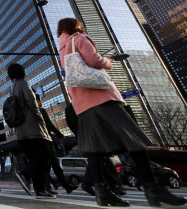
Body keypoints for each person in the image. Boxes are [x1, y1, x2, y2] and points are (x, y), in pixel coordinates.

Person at [58, 18, 186, 207]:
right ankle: (153, 189)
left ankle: (102, 193)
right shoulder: (79, 38)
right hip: (103, 98)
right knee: (134, 141)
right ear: (75, 26)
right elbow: (93, 60)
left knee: (95, 149)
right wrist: (108, 61)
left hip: (81, 104)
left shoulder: (62, 47)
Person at [10, 63, 55, 199]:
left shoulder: (12, 86)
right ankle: (25, 174)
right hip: (32, 127)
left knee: (34, 157)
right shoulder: (23, 83)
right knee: (45, 155)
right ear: (22, 72)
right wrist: (39, 117)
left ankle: (39, 189)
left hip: (21, 129)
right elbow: (31, 101)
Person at [35, 94, 76, 194]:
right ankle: (52, 187)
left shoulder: (32, 112)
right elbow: (49, 125)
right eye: (40, 100)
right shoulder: (41, 110)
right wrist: (60, 135)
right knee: (50, 165)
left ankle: (64, 186)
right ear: (37, 100)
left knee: (51, 165)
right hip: (47, 140)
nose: (41, 102)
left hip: (39, 141)